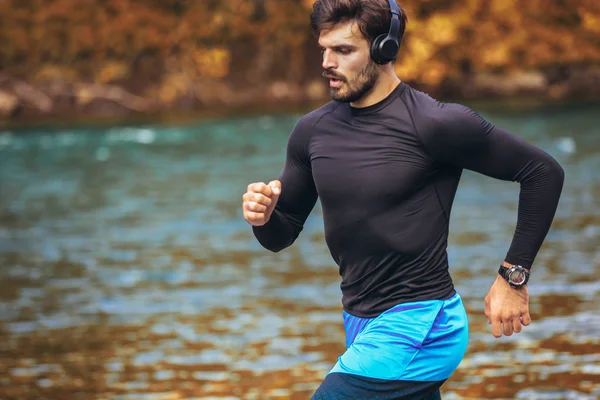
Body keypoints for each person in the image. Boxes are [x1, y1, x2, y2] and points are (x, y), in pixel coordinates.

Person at [241, 0, 565, 398]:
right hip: (362, 321)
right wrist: (263, 217)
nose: (327, 62)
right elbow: (281, 234)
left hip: (424, 323)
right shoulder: (312, 132)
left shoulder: (435, 123)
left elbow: (542, 172)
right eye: (323, 49)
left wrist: (512, 278)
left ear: (384, 50)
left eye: (343, 51)